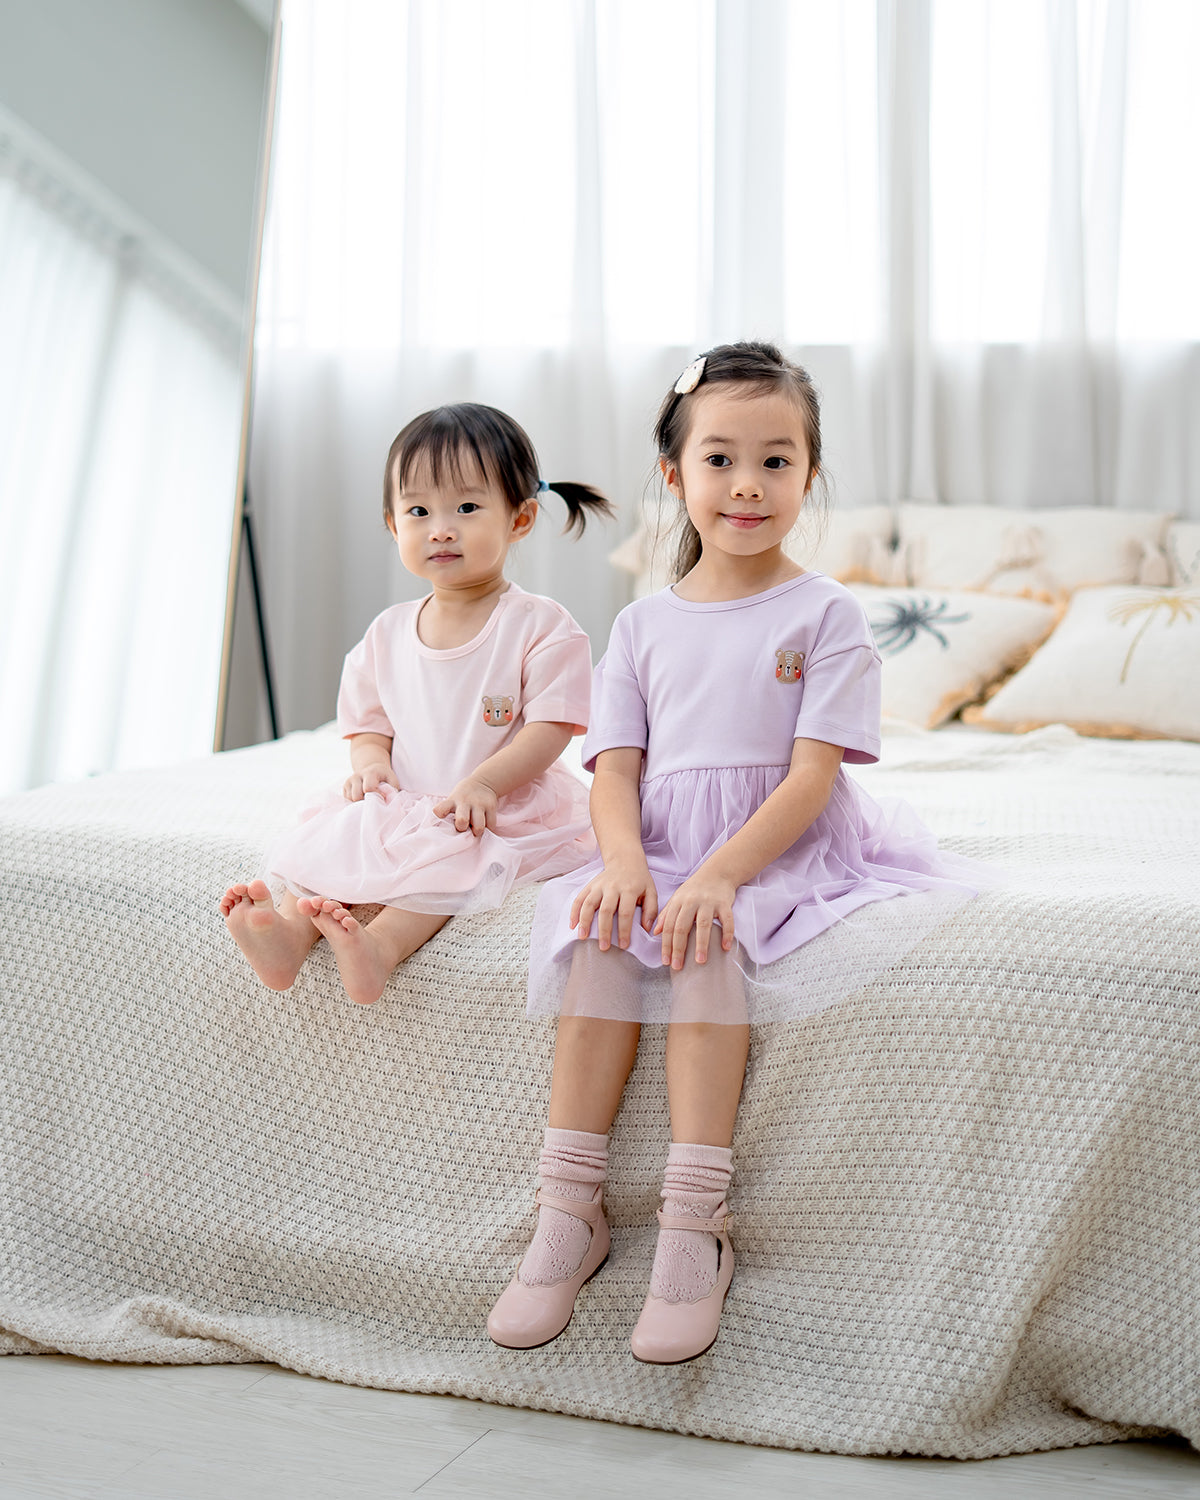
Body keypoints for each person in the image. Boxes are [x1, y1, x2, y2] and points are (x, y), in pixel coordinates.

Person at [487, 341, 985, 1364]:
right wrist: (625, 864)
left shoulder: (826, 614)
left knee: (708, 947)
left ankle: (692, 1224)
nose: (746, 486)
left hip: (775, 850)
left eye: (775, 460)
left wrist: (719, 875)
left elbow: (811, 779)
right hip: (658, 844)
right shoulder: (640, 625)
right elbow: (614, 771)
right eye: (719, 460)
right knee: (598, 943)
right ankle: (569, 1211)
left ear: (809, 474)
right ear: (674, 476)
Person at [220, 402, 612, 1007]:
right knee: (342, 839)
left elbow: (553, 727)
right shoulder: (388, 632)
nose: (441, 528)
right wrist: (371, 764)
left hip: (494, 801)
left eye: (467, 507)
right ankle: (293, 935)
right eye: (419, 511)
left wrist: (485, 783)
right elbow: (367, 720)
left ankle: (380, 949)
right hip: (407, 796)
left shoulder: (539, 624)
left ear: (521, 517)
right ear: (392, 523)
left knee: (444, 866)